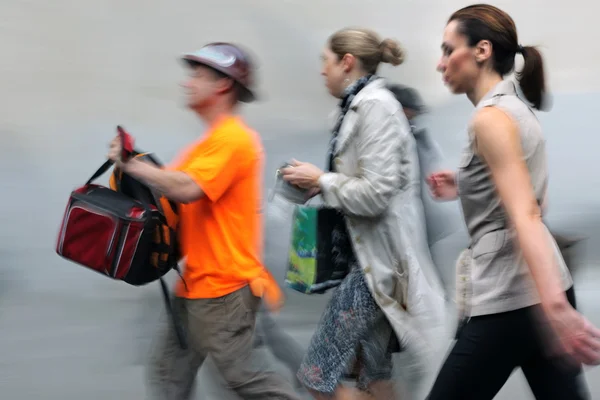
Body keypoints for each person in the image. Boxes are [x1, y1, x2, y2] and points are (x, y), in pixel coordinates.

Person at [107, 42, 300, 400]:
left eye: (197, 74)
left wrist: (132, 165)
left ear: (222, 85)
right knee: (168, 375)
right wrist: (132, 175)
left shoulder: (235, 140)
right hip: (196, 285)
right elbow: (171, 203)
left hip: (224, 291)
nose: (187, 82)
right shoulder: (204, 147)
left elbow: (187, 188)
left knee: (247, 381)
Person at [426, 5, 600, 399]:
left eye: (448, 49)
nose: (441, 64)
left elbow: (526, 211)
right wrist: (466, 181)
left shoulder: (489, 120)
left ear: (482, 50)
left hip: (511, 297)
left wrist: (556, 310)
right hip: (540, 288)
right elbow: (520, 183)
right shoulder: (514, 109)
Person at [281, 27, 445, 400]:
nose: (322, 71)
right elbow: (362, 183)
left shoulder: (375, 107)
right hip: (370, 266)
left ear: (347, 62)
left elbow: (375, 195)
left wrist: (322, 179)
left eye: (326, 61)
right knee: (375, 379)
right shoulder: (358, 107)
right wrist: (316, 183)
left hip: (374, 273)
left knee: (315, 377)